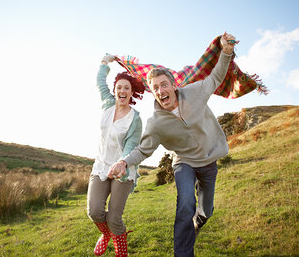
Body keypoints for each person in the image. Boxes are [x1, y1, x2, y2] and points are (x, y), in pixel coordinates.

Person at [108, 32, 237, 257]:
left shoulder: (195, 93)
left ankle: (199, 220)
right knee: (185, 202)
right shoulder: (156, 123)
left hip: (208, 161)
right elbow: (143, 149)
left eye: (164, 85)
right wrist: (123, 162)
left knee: (205, 211)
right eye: (155, 87)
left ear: (173, 85)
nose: (160, 91)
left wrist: (226, 52)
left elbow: (216, 77)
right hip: (184, 162)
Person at [87, 54, 145, 257]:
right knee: (94, 211)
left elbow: (131, 145)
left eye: (126, 88)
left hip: (123, 170)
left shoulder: (135, 119)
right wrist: (104, 62)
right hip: (101, 166)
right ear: (114, 91)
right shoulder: (107, 104)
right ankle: (106, 235)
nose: (122, 90)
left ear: (131, 93)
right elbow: (99, 81)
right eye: (119, 87)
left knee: (113, 217)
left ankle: (121, 252)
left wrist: (122, 163)